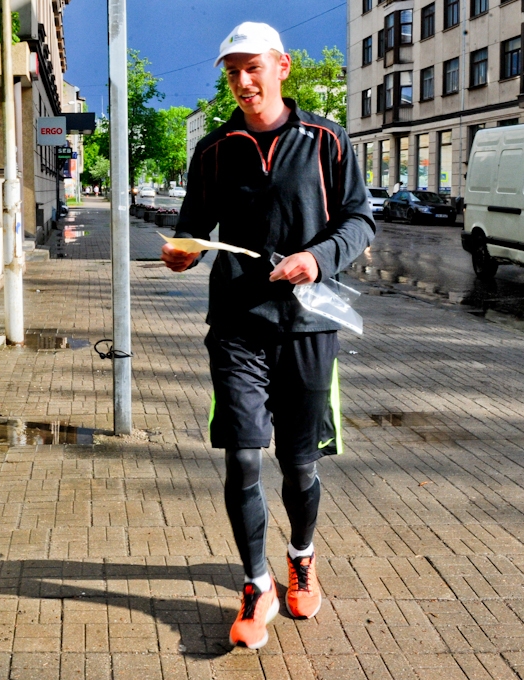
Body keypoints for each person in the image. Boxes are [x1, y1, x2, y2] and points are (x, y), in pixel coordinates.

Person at [161, 22, 374, 650]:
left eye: (253, 67)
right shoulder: (215, 148)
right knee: (243, 457)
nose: (243, 82)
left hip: (308, 325)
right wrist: (182, 253)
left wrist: (318, 258)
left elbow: (361, 220)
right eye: (233, 72)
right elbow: (193, 226)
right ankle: (257, 584)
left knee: (299, 463)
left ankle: (301, 556)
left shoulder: (326, 140)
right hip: (236, 324)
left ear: (282, 66)